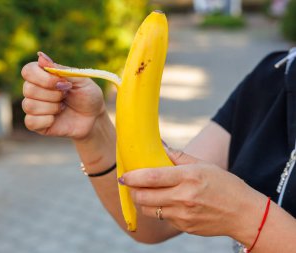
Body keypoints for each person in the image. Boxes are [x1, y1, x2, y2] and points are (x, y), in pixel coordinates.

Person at [21, 49, 296, 253]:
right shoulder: (272, 76)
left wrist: (246, 216)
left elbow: (241, 213)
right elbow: (155, 221)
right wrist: (93, 131)